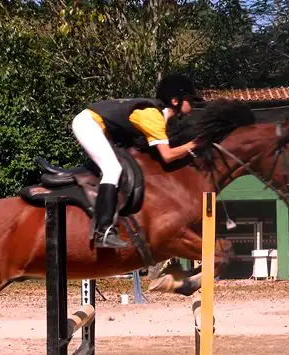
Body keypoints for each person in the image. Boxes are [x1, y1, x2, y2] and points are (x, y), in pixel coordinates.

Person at [71, 73, 201, 249]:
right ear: (175, 101)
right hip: (88, 125)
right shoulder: (153, 116)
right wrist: (195, 144)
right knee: (112, 169)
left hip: (101, 128)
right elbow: (167, 155)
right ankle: (103, 231)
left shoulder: (160, 117)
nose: (192, 104)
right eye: (189, 99)